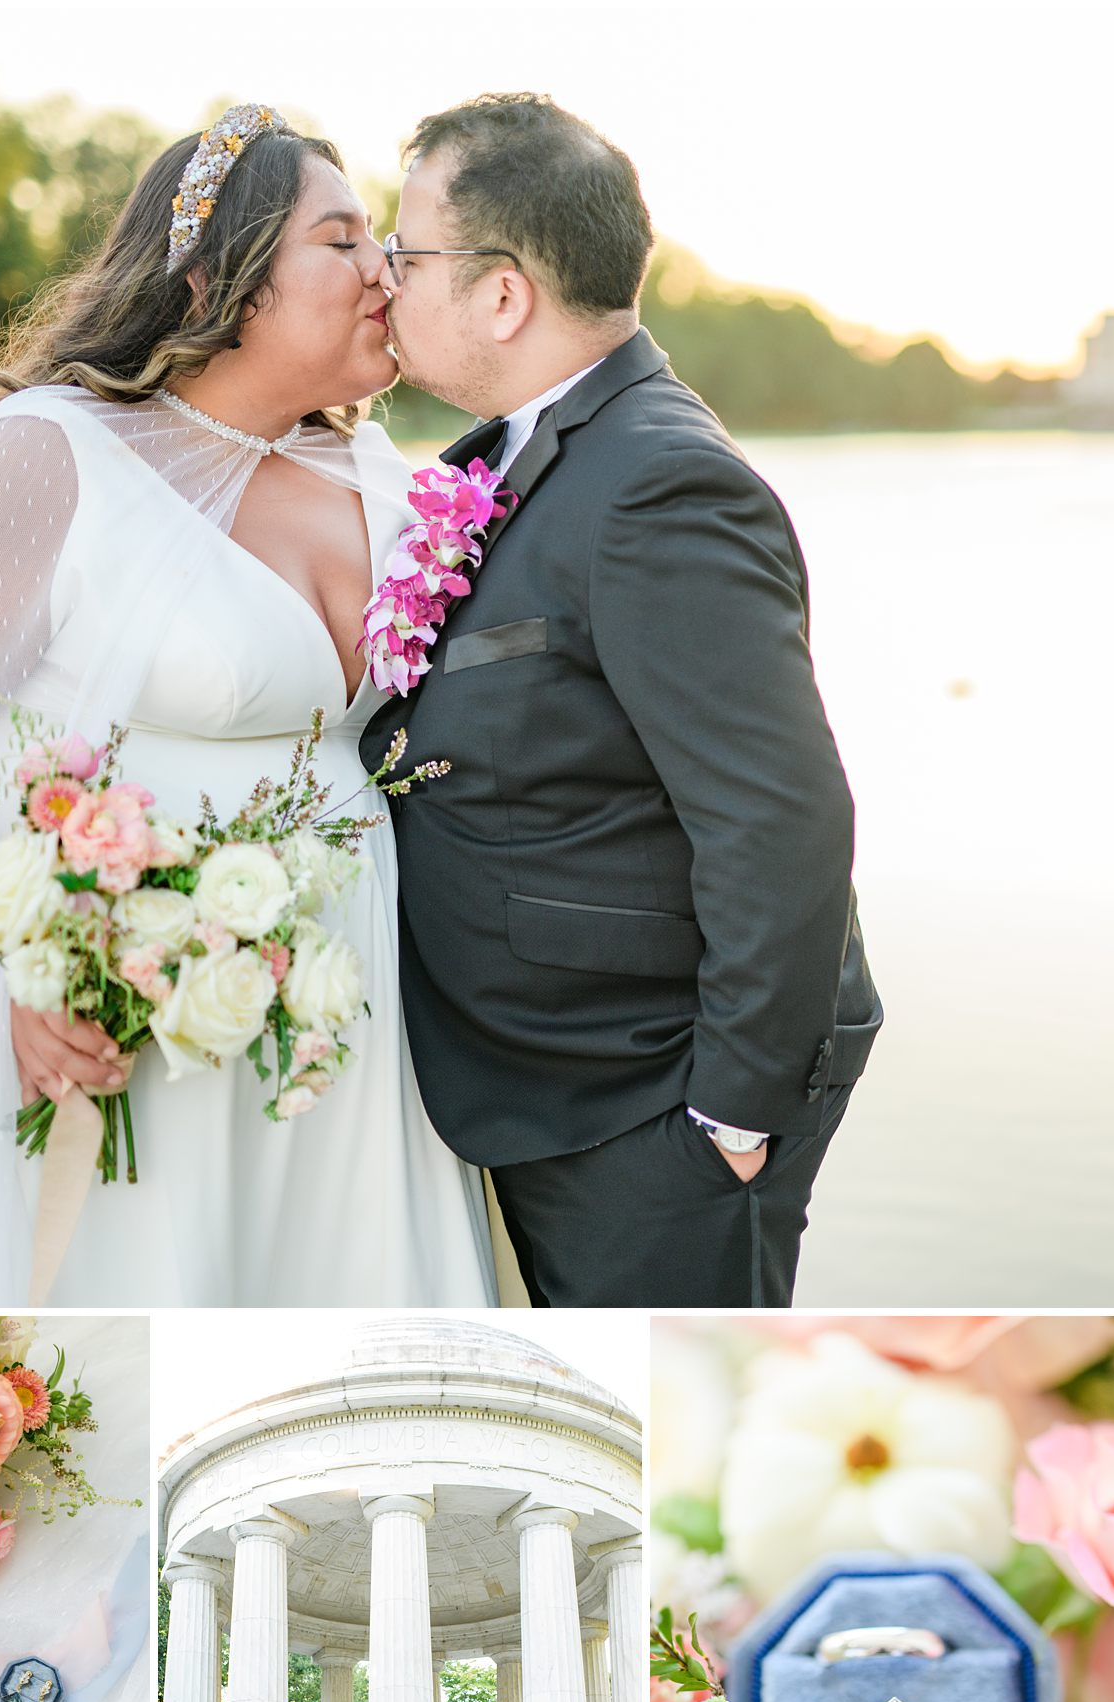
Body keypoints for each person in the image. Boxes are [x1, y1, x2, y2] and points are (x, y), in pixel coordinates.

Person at [0, 106, 496, 1307]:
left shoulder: (393, 481)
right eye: (340, 241)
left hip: (354, 1030)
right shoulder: (54, 455)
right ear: (217, 281)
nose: (384, 269)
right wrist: (9, 980)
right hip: (147, 1038)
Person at [365, 93, 880, 1308]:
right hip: (546, 1094)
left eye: (405, 255)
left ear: (501, 294)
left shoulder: (659, 481)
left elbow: (778, 816)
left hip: (646, 1107)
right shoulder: (501, 458)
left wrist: (729, 1116)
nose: (385, 283)